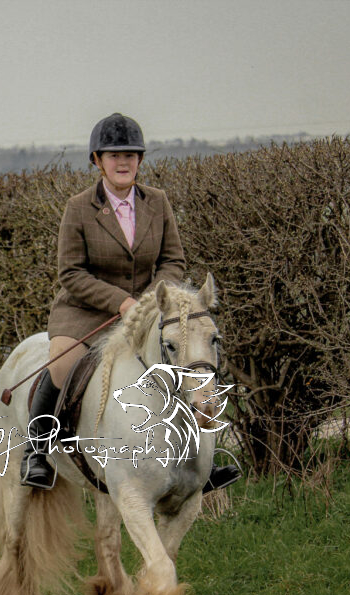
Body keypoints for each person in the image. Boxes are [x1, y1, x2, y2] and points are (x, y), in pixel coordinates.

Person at [21, 112, 241, 492]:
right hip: (87, 311)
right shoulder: (79, 207)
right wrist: (122, 303)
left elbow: (173, 260)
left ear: (139, 160)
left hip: (151, 310)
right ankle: (36, 450)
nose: (122, 162)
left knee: (192, 358)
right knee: (60, 363)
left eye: (130, 155)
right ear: (97, 160)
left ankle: (202, 462)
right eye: (113, 155)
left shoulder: (158, 201)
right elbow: (71, 273)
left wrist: (150, 301)